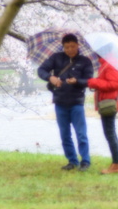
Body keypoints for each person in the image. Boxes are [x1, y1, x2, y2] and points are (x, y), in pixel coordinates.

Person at [37, 34, 94, 171]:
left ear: (77, 45)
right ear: (63, 47)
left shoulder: (85, 61)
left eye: (72, 46)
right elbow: (41, 70)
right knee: (64, 134)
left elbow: (88, 80)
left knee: (81, 133)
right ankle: (72, 161)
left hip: (77, 102)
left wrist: (77, 81)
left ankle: (85, 161)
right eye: (67, 47)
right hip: (60, 101)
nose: (70, 49)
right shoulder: (56, 57)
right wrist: (51, 77)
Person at [87, 55, 118, 174]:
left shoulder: (111, 64)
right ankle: (116, 163)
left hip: (108, 103)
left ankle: (117, 164)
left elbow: (114, 84)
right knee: (110, 133)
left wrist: (93, 82)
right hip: (106, 102)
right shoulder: (106, 64)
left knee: (110, 133)